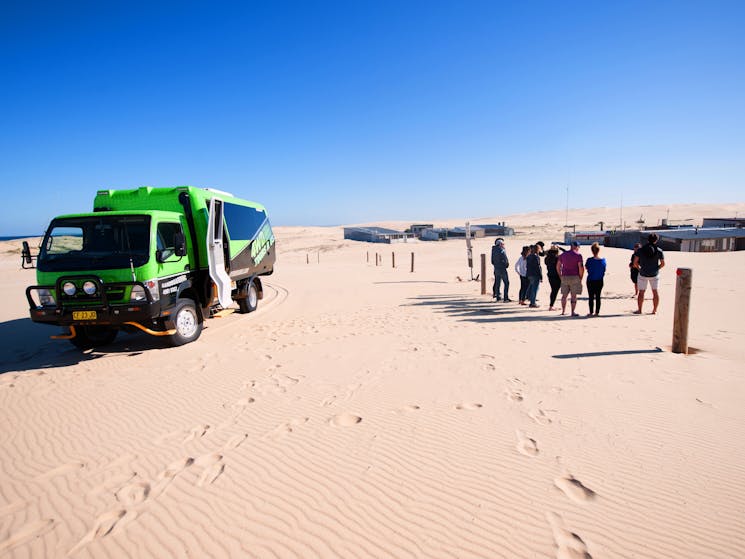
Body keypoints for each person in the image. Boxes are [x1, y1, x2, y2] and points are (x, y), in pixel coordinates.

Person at [633, 233, 665, 314]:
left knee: (641, 292)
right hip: (654, 274)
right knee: (655, 292)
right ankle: (654, 310)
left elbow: (635, 262)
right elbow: (663, 264)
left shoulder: (641, 250)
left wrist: (639, 269)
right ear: (656, 240)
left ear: (648, 240)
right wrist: (656, 268)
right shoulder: (659, 251)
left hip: (643, 273)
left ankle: (640, 310)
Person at [557, 241, 584, 316]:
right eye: (578, 247)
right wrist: (580, 277)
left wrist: (560, 275)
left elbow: (558, 266)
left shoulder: (563, 255)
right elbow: (581, 267)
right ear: (576, 247)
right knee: (573, 296)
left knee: (564, 295)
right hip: (575, 276)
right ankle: (572, 312)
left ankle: (563, 311)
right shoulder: (578, 255)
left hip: (565, 276)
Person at [585, 242, 607, 316]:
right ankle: (597, 312)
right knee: (598, 296)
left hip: (591, 279)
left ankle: (591, 312)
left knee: (591, 297)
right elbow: (604, 269)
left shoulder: (589, 260)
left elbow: (587, 267)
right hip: (599, 280)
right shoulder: (603, 260)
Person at [544, 245, 562, 310]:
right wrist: (560, 248)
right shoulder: (557, 258)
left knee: (553, 290)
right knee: (555, 291)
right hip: (556, 275)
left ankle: (551, 305)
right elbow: (566, 252)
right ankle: (551, 306)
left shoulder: (547, 258)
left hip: (550, 275)